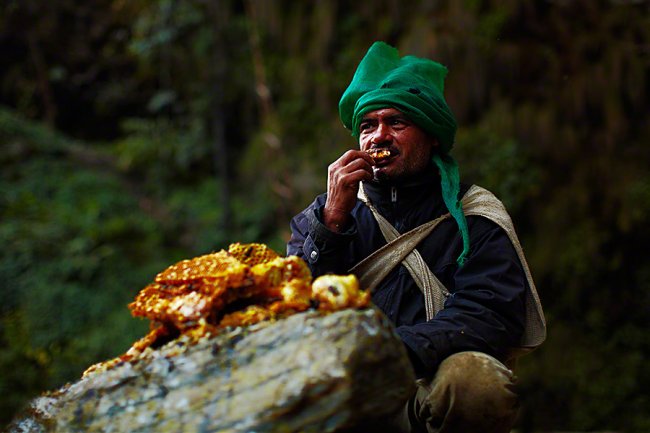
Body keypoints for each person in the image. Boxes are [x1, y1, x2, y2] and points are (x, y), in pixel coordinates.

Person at [287, 41, 546, 433]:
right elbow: (292, 308)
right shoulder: (327, 214)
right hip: (347, 394)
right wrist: (331, 225)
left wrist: (393, 354)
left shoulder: (474, 214)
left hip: (426, 389)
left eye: (397, 123)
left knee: (475, 381)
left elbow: (488, 314)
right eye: (368, 126)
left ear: (433, 137)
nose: (379, 136)